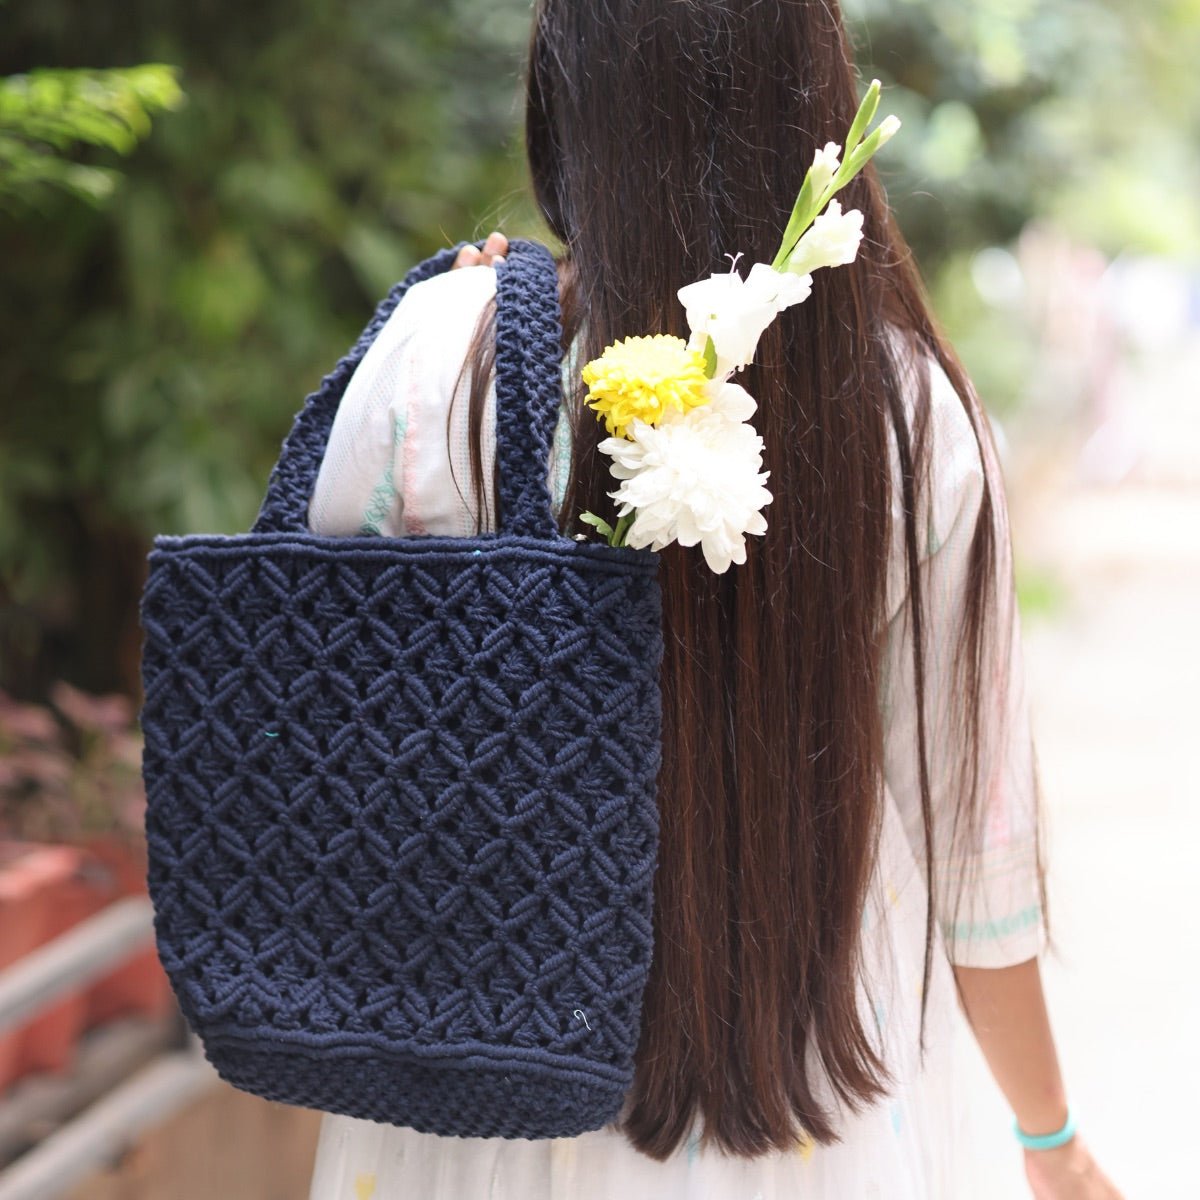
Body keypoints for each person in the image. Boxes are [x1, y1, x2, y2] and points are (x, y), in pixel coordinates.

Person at [303, 2, 1124, 1196]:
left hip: (471, 1100)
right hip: (802, 1117)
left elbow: (328, 701)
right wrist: (1051, 1143)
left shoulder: (444, 359)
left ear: (564, 106)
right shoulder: (910, 421)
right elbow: (977, 858)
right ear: (817, 109)